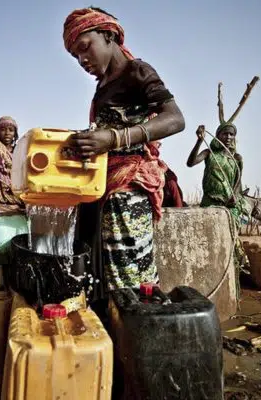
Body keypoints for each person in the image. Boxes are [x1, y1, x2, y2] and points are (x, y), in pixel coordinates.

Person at [63, 7, 185, 306]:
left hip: (127, 188)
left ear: (107, 35)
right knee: (98, 272)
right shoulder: (103, 87)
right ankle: (110, 338)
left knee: (130, 278)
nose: (82, 60)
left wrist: (114, 138)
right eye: (76, 56)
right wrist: (85, 143)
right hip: (102, 185)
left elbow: (175, 119)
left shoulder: (136, 71)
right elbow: (108, 131)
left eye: (84, 48)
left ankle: (139, 336)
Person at [187, 123, 250, 276]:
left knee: (231, 238)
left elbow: (237, 183)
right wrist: (199, 140)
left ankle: (238, 271)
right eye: (224, 134)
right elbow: (190, 163)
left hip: (229, 205)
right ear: (218, 136)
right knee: (209, 238)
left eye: (231, 134)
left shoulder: (237, 158)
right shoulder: (209, 153)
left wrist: (235, 197)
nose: (228, 137)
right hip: (210, 202)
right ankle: (210, 272)